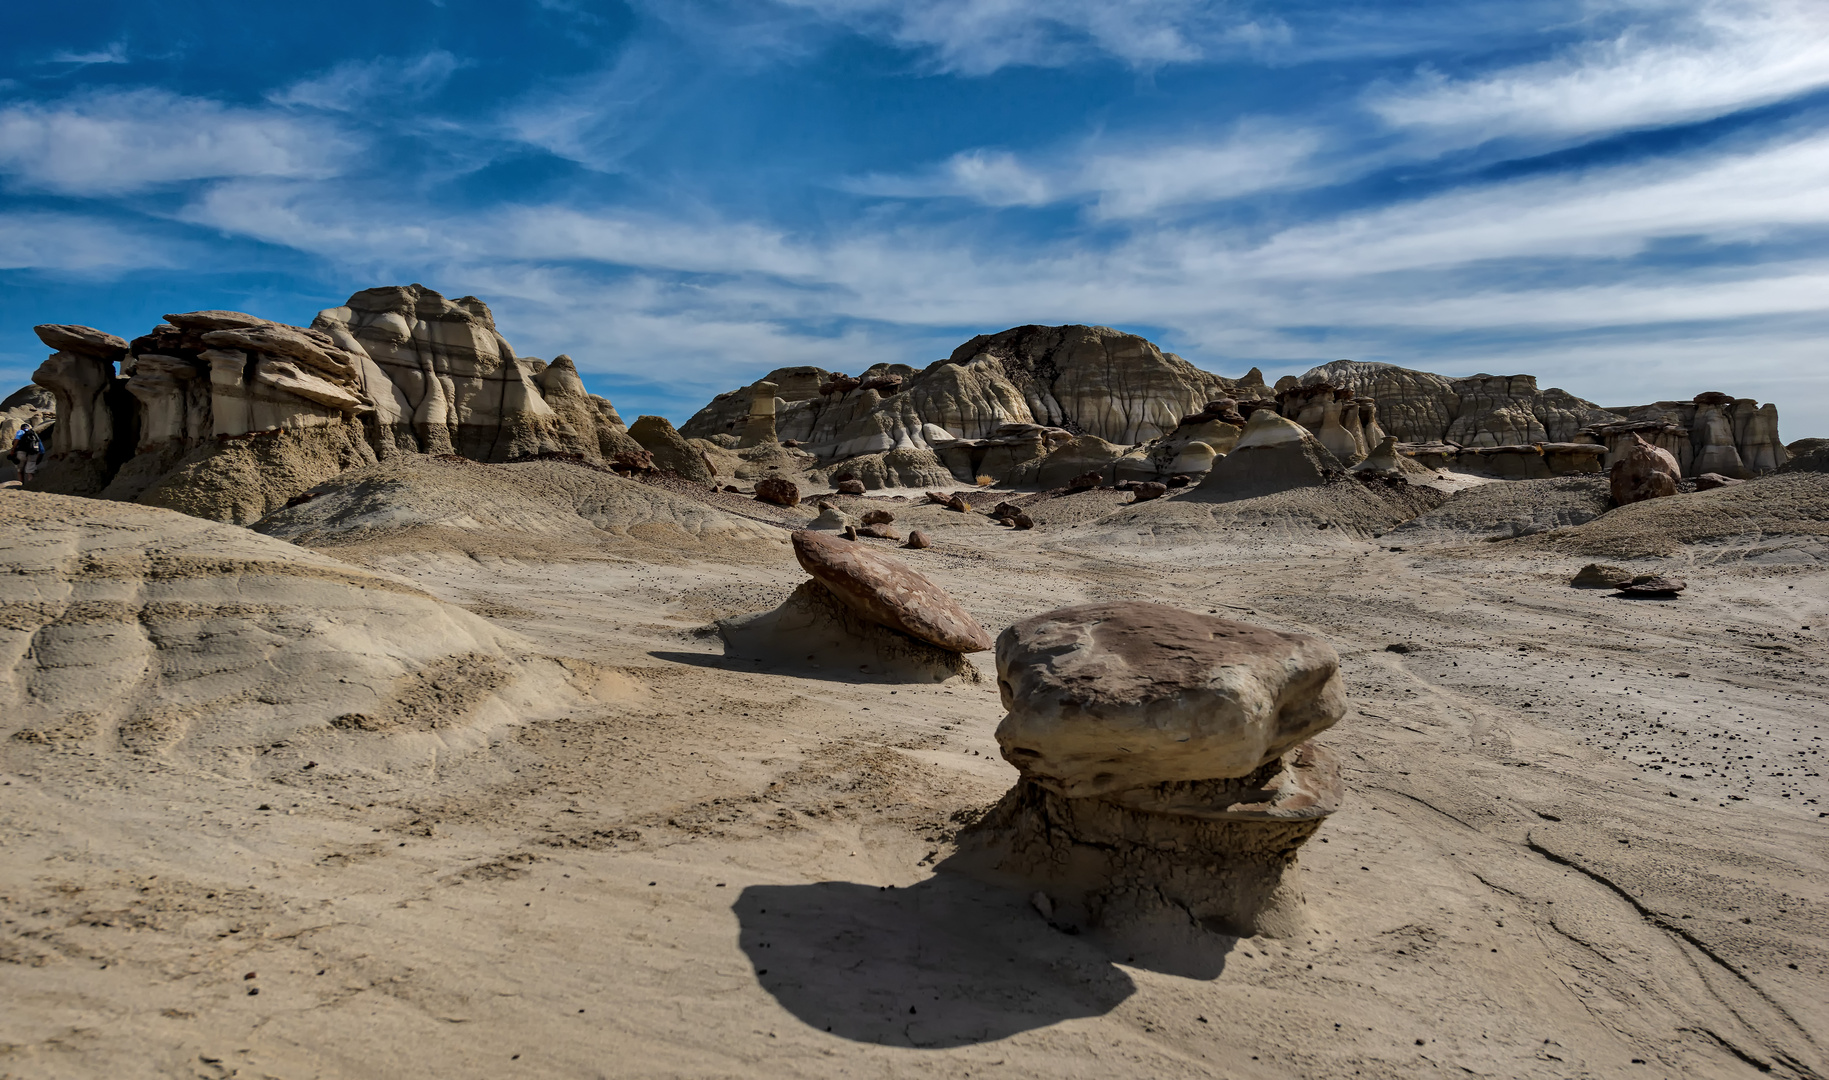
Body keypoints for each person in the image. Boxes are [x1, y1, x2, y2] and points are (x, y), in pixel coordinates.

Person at [10, 422, 45, 486]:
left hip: (21, 453)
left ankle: (20, 485)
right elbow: (42, 450)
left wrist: (13, 450)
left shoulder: (20, 432)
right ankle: (30, 486)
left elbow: (17, 439)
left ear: (22, 428)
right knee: (30, 472)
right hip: (33, 453)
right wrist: (38, 459)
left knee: (20, 471)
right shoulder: (34, 434)